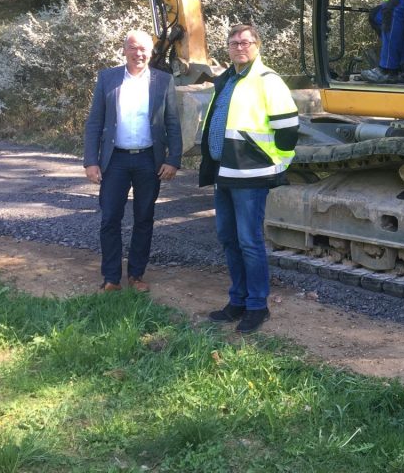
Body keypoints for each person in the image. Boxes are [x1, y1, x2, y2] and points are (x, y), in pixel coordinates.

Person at [199, 24, 299, 334]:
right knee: (228, 238)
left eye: (246, 42)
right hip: (224, 172)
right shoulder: (226, 79)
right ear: (227, 48)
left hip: (251, 175)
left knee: (249, 242)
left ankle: (257, 306)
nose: (239, 47)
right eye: (234, 42)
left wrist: (275, 163)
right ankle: (237, 301)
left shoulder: (268, 81)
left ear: (257, 46)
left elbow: (288, 130)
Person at [84, 29, 182, 293]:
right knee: (110, 219)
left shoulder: (164, 80)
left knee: (144, 218)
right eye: (133, 48)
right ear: (124, 50)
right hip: (115, 161)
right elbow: (94, 122)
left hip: (149, 161)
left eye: (144, 49)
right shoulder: (108, 78)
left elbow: (172, 122)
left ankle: (136, 276)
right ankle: (112, 278)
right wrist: (90, 161)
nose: (139, 54)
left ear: (151, 52)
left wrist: (173, 158)